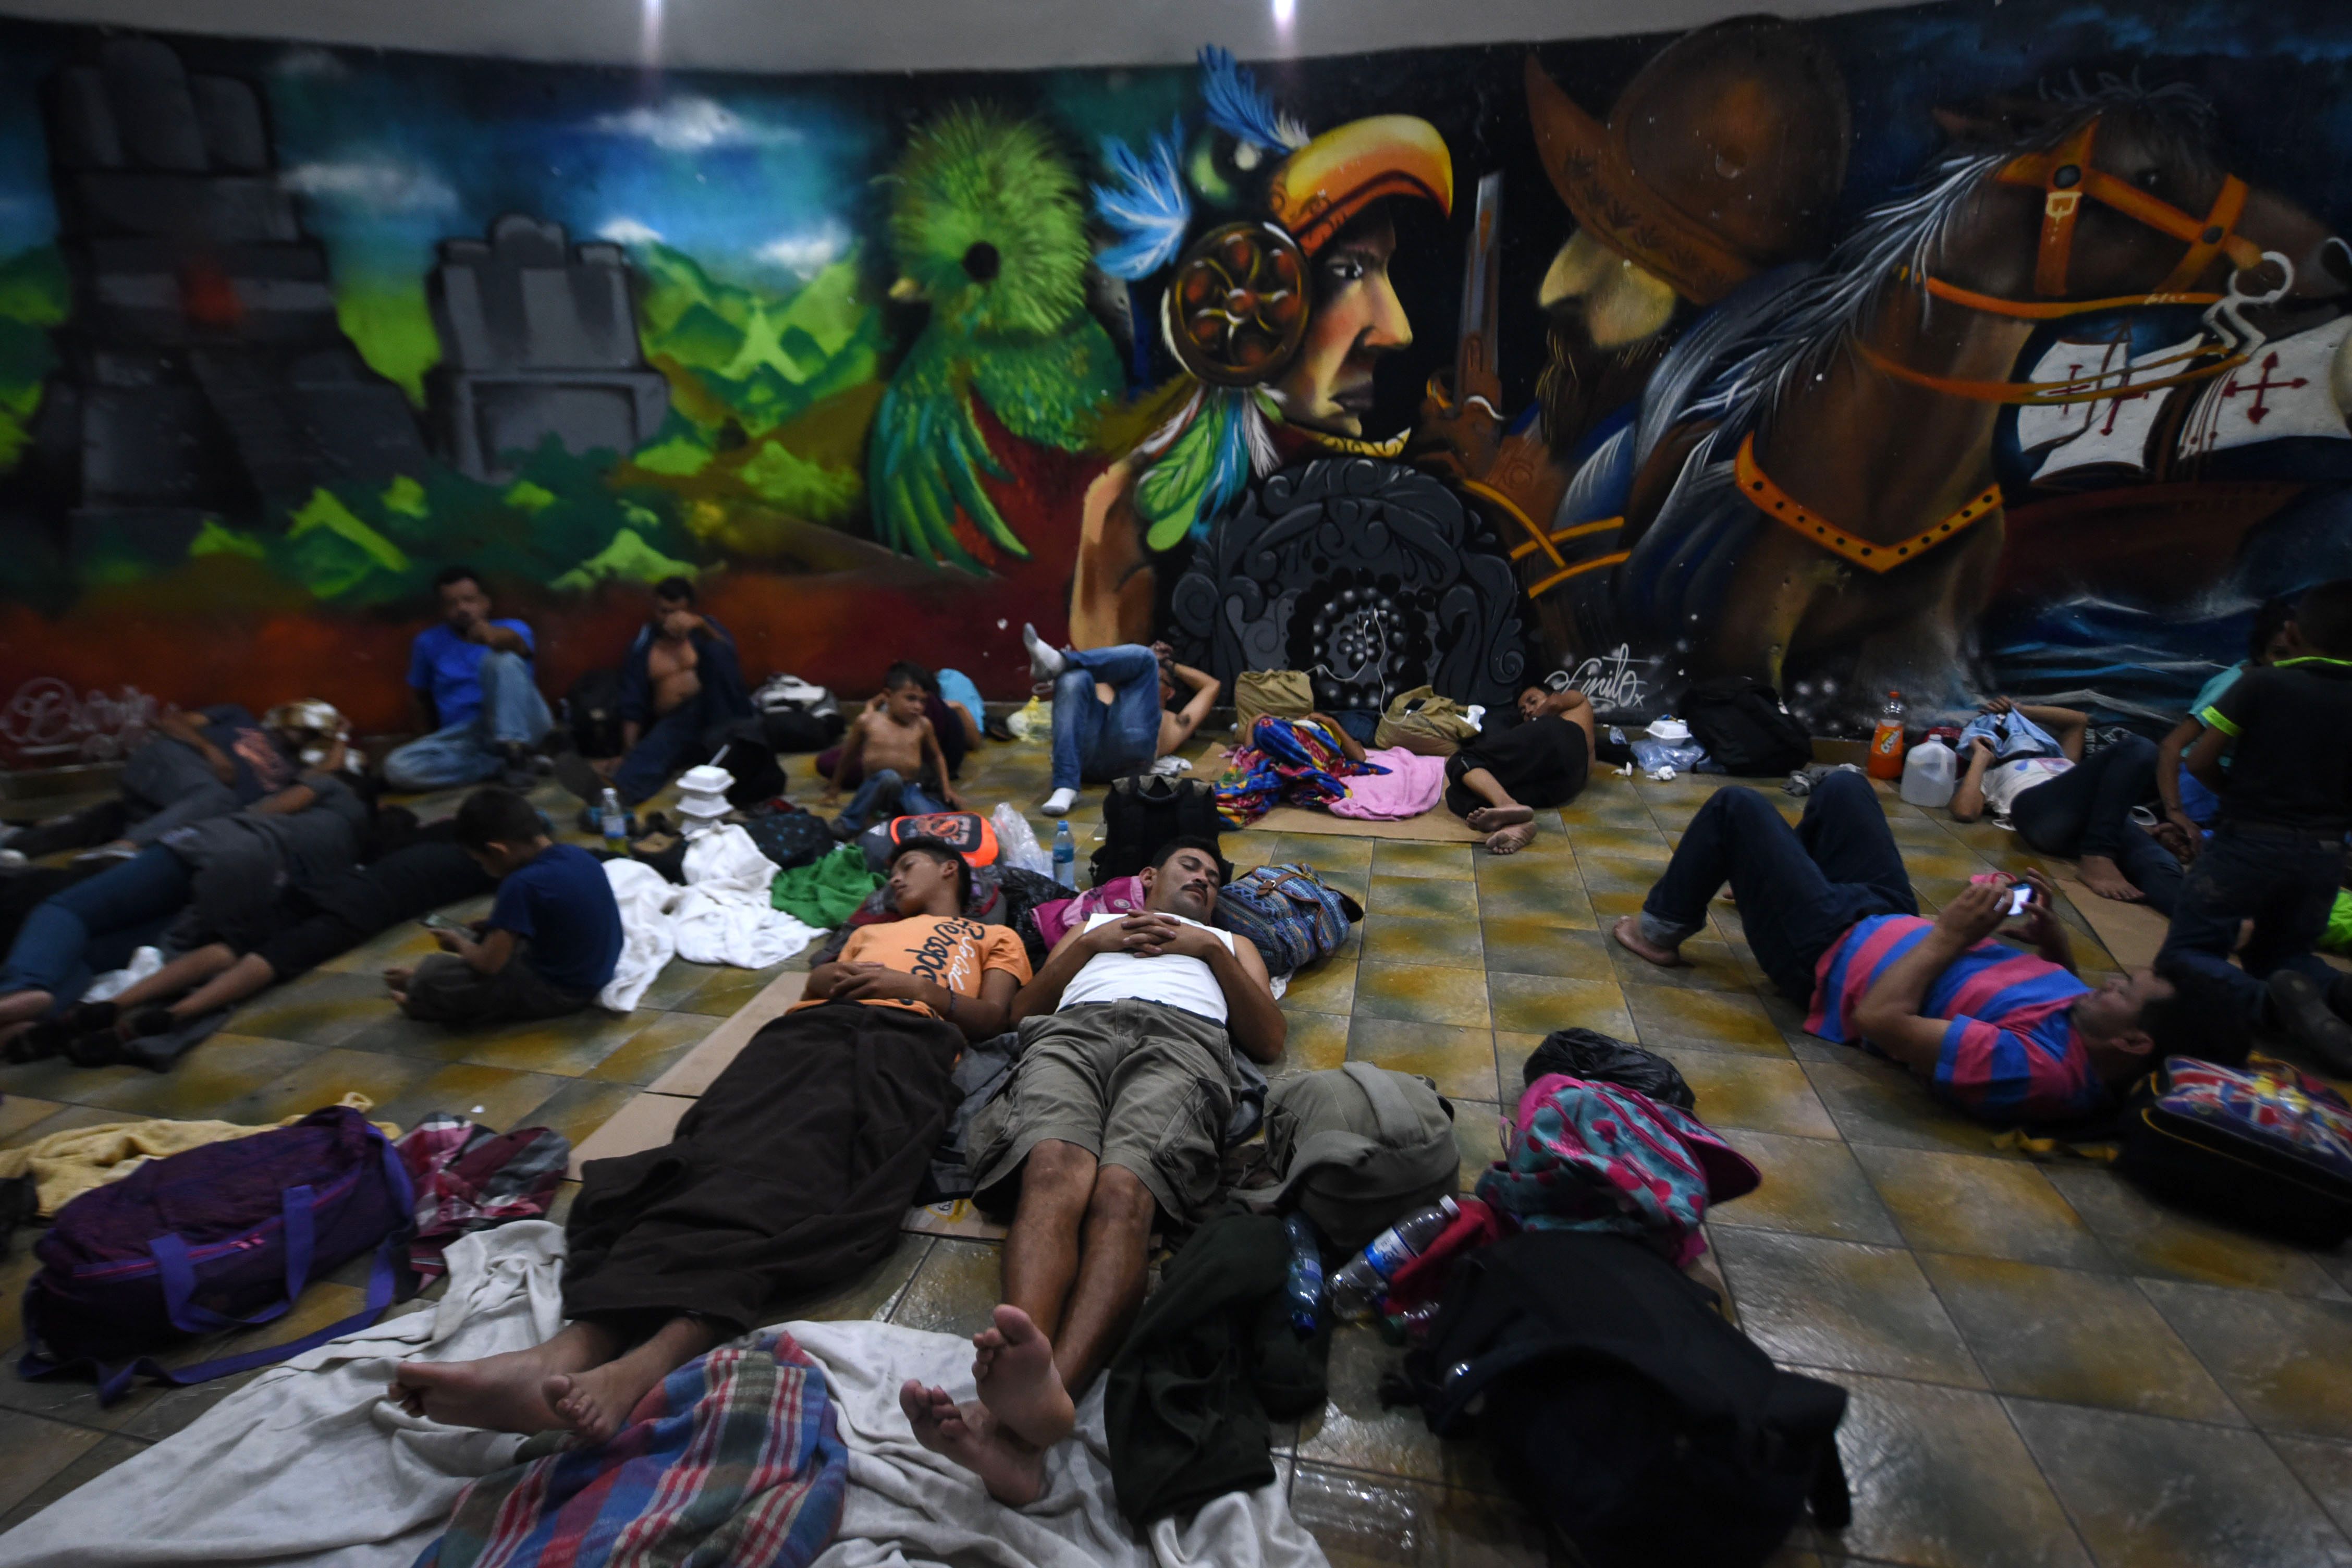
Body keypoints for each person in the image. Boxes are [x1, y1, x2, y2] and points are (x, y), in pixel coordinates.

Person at [389, 837, 1030, 1442]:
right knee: (710, 1155)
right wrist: (829, 983)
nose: (893, 877)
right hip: (808, 1036)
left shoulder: (994, 935)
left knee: (798, 1175)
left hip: (903, 1044)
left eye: (908, 863)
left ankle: (637, 1368)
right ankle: (569, 1349)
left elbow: (995, 1017)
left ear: (951, 870)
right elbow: (815, 984)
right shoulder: (870, 930)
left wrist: (916, 989)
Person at [903, 837, 1284, 1505]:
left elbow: (1269, 1039)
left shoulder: (1225, 943)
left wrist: (1209, 953)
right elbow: (1023, 1013)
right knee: (1053, 1171)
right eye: (1190, 867)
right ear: (1147, 877)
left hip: (1182, 1040)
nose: (1204, 880)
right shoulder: (1092, 928)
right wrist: (1086, 946)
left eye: (1215, 878)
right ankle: (1024, 1404)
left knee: (1122, 1193)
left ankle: (1021, 1422)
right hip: (1073, 1034)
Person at [1612, 769, 2192, 1124]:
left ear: (2135, 1039)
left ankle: (1658, 932)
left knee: (1736, 806)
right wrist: (2055, 943)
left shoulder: (2034, 1073)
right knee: (1844, 786)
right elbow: (2056, 1008)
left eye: (2125, 988)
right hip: (1887, 918)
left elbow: (1881, 1019)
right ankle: (1765, 879)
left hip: (1828, 952)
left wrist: (1950, 934)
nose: (2110, 980)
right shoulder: (2093, 1036)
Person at [0, 745, 370, 1048]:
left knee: (66, 910)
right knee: (96, 954)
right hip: (247, 895)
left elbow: (262, 811)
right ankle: (33, 1020)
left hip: (226, 847)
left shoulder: (336, 790)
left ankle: (22, 988)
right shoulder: (353, 849)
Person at [29, 836, 495, 1064]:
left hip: (335, 882)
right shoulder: (485, 866)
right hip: (369, 906)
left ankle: (114, 1005)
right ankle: (176, 1014)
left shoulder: (423, 840)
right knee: (277, 958)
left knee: (232, 945)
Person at [2161, 579, 2352, 1070]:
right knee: (2286, 953)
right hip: (2326, 851)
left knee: (2187, 955)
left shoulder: (2264, 682)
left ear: (2292, 632)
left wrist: (2238, 798)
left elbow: (2200, 759)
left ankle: (2269, 1006)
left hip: (2248, 842)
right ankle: (2340, 993)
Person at [387, 788, 619, 1027]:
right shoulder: (577, 854)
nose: (483, 869)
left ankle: (424, 997)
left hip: (563, 993)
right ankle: (422, 985)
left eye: (480, 861)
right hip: (595, 973)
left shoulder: (519, 884)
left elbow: (489, 965)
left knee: (436, 973)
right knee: (486, 939)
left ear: (498, 850)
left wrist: (459, 944)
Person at [1950, 699, 2182, 911]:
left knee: (2162, 866)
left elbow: (2078, 721)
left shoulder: (2063, 759)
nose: (2014, 733)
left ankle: (2204, 937)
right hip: (2040, 814)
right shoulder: (1993, 772)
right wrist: (1980, 756)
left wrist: (2019, 710)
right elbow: (1965, 812)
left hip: (2097, 825)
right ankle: (2097, 856)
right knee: (2139, 747)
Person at [0, 702, 303, 865]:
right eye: (303, 723)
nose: (304, 732)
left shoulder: (295, 773)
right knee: (216, 797)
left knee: (113, 818)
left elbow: (328, 777)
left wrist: (339, 738)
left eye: (314, 732)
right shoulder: (240, 716)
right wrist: (211, 751)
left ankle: (19, 842)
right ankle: (122, 849)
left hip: (181, 806)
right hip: (173, 762)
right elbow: (170, 723)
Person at [556, 577, 752, 808]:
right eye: (663, 612)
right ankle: (615, 796)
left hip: (721, 719)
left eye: (677, 612)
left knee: (717, 657)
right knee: (660, 744)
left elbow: (729, 666)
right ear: (654, 609)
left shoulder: (705, 630)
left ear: (689, 611)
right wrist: (628, 753)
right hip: (679, 730)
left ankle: (621, 790)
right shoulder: (644, 645)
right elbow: (633, 701)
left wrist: (701, 626)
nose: (670, 620)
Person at [381, 567, 552, 793]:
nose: (461, 609)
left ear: (485, 603)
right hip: (466, 738)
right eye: (452, 604)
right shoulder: (428, 642)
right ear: (442, 609)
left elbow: (515, 644)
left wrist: (489, 635)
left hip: (524, 725)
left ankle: (516, 754)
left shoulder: (514, 628)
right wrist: (430, 743)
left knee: (502, 660)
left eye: (469, 600)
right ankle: (503, 765)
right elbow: (419, 699)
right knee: (397, 769)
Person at [1022, 626, 1218, 817]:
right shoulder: (1114, 697)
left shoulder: (1176, 722)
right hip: (1087, 761)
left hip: (1128, 764)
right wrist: (1141, 655)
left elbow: (1212, 686)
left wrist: (1169, 664)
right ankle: (1066, 787)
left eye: (1157, 678)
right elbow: (1101, 665)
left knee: (1144, 659)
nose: (1151, 679)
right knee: (1075, 677)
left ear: (1171, 692)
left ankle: (1060, 662)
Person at [2154, 596, 2300, 853]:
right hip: (2202, 783)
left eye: (2297, 655)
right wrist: (2175, 812)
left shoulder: (2294, 690)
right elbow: (2172, 746)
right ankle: (2184, 834)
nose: (2287, 664)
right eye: (2279, 654)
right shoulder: (2235, 686)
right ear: (2260, 654)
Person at [1443, 683, 1596, 854]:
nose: (1529, 711)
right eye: (1523, 712)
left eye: (1533, 701)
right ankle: (1515, 825)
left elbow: (1555, 703)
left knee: (1461, 759)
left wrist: (1530, 723)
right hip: (1565, 785)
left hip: (1558, 737)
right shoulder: (1584, 751)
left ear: (1553, 693)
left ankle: (1506, 805)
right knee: (1457, 794)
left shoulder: (1577, 703)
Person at [822, 662, 967, 834]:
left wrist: (947, 788)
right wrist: (834, 789)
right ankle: (849, 821)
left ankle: (899, 818)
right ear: (888, 696)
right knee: (889, 778)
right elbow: (848, 756)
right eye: (911, 698)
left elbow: (937, 757)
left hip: (909, 788)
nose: (918, 707)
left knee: (931, 823)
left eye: (923, 701)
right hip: (876, 789)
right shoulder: (868, 722)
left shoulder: (923, 725)